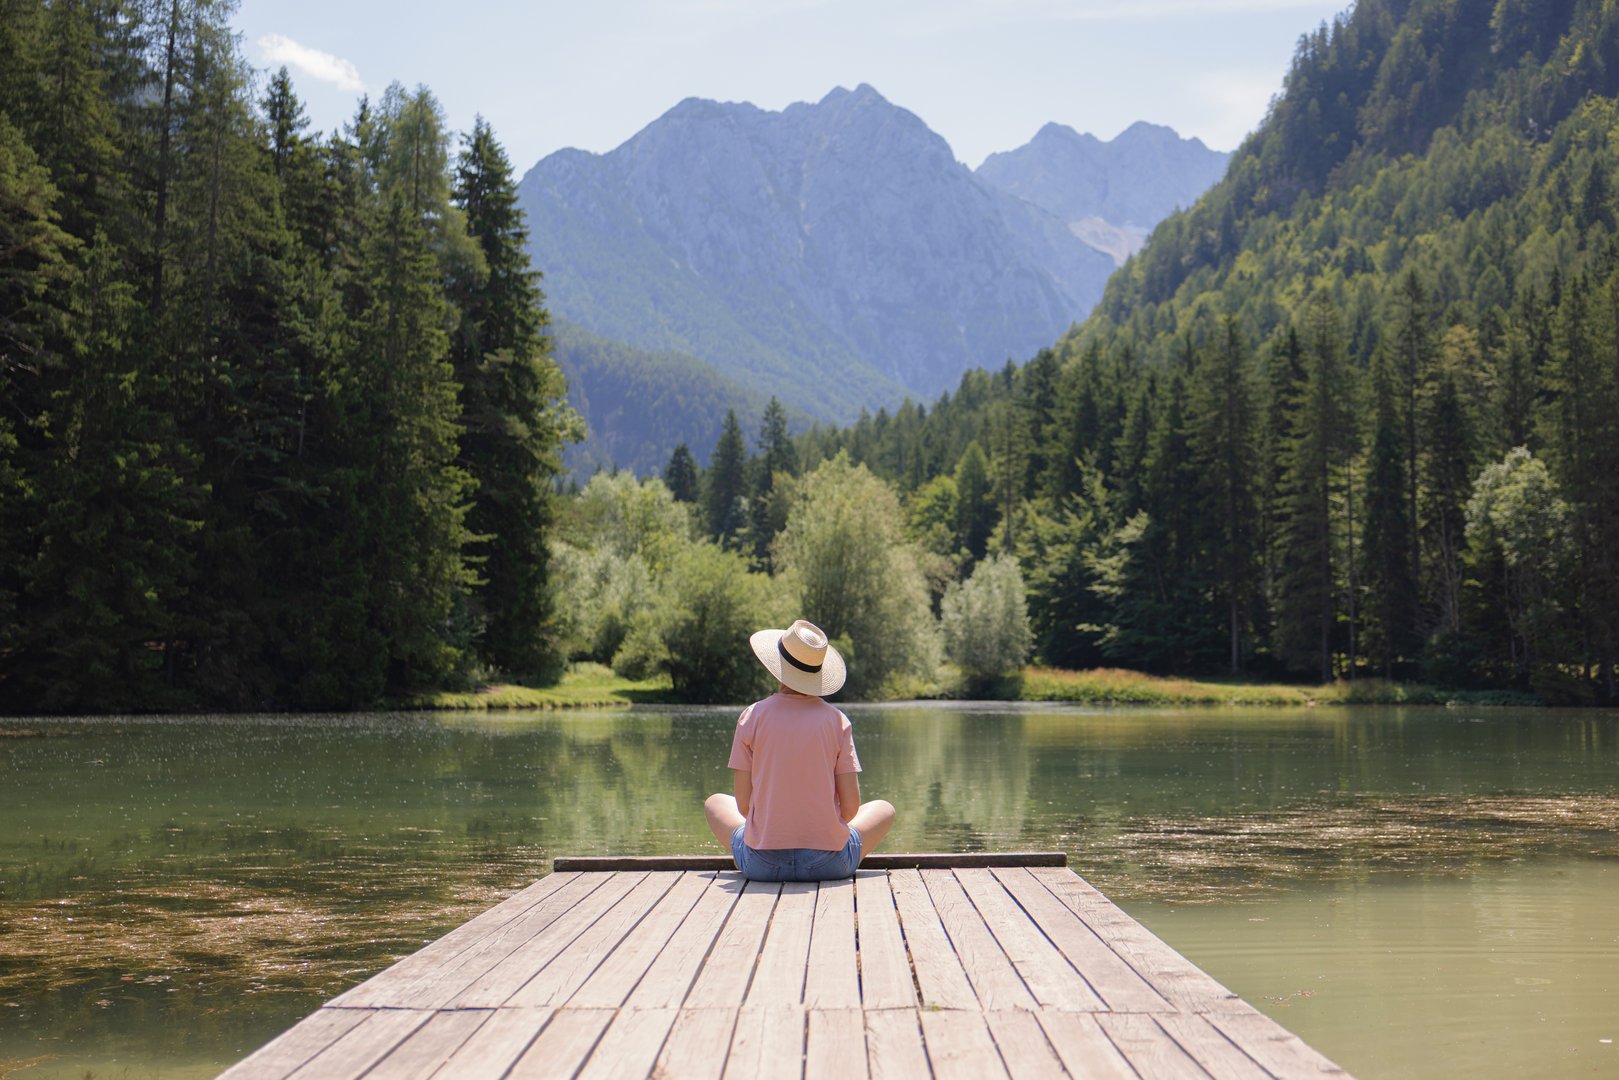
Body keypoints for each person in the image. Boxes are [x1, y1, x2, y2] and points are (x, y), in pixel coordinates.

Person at [704, 619, 895, 881]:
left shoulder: (752, 716)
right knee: (884, 808)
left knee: (715, 802)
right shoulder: (837, 720)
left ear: (777, 668)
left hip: (761, 866)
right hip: (828, 865)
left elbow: (745, 807)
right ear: (817, 672)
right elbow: (851, 810)